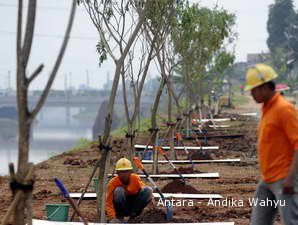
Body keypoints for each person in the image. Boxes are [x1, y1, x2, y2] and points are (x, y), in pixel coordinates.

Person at [244, 64, 298, 225]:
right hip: (267, 180)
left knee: (292, 221)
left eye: (253, 90)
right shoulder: (267, 110)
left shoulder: (284, 109)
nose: (251, 94)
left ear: (265, 87)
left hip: (284, 180)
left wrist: (290, 178)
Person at [106, 157, 152, 223]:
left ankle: (133, 216)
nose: (124, 174)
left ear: (130, 171)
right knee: (119, 190)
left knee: (148, 190)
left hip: (134, 205)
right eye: (121, 172)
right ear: (117, 173)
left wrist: (151, 197)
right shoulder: (113, 183)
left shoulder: (135, 178)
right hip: (121, 206)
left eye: (126, 171)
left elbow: (144, 190)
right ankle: (120, 217)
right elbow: (108, 202)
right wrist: (112, 217)